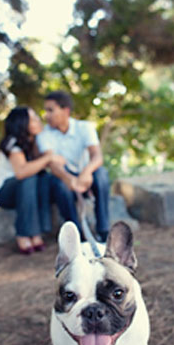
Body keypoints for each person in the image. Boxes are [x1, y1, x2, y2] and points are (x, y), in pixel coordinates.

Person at [0, 107, 65, 254]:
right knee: (28, 177)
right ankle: (24, 234)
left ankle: (39, 231)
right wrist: (48, 158)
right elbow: (21, 172)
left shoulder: (36, 140)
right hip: (4, 191)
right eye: (33, 118)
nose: (38, 120)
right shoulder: (12, 143)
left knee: (44, 178)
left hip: (27, 190)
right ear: (22, 123)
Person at [37, 90, 110, 242]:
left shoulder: (85, 127)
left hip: (86, 174)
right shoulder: (44, 135)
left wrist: (86, 173)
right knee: (59, 184)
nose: (46, 115)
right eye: (46, 111)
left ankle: (104, 230)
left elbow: (97, 156)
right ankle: (77, 234)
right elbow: (53, 165)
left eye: (51, 110)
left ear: (66, 111)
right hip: (64, 176)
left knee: (101, 174)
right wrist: (68, 179)